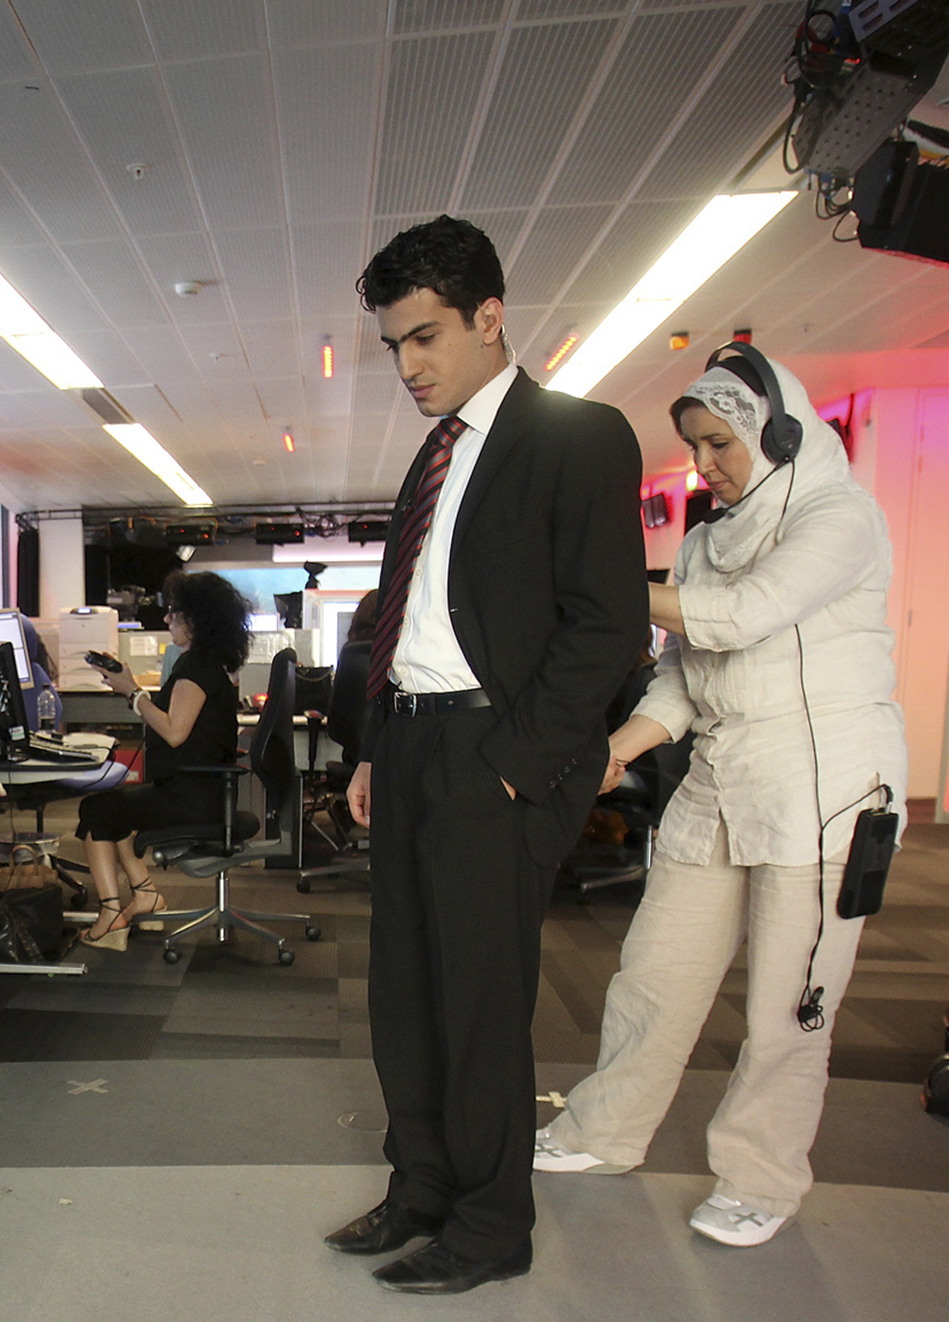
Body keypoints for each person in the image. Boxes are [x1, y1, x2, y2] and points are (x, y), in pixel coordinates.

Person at [329, 216, 647, 1294]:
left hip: (490, 751)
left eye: (425, 337)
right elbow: (405, 620)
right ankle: (420, 1186)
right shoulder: (433, 456)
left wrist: (516, 763)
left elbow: (607, 623)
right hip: (413, 743)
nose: (407, 366)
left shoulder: (576, 435)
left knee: (477, 1002)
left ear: (490, 316)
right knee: (403, 994)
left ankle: (492, 1222)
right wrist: (376, 748)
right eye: (394, 345)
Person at [531, 349, 905, 1248]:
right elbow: (683, 674)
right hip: (720, 777)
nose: (703, 465)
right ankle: (605, 1129)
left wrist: (598, 587)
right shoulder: (704, 542)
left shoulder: (840, 517)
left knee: (788, 1007)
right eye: (694, 447)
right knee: (653, 975)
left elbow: (741, 617)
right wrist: (620, 748)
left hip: (823, 788)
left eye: (719, 445)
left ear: (780, 434)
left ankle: (759, 1178)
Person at [76, 571, 249, 950]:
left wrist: (132, 692)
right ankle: (145, 896)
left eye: (175, 612)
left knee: (96, 810)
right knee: (116, 809)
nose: (167, 618)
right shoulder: (208, 664)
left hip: (192, 799)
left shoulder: (196, 668)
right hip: (205, 793)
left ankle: (110, 915)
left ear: (196, 619)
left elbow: (173, 732)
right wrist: (132, 690)